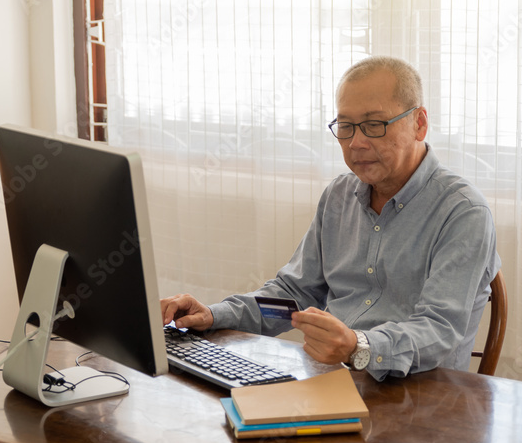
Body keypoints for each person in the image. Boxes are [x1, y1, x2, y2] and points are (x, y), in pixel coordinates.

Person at [160, 56, 501, 380]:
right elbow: (293, 296)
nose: (356, 143)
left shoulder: (463, 212)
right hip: (333, 383)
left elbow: (439, 331)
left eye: (374, 125)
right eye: (347, 126)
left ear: (419, 124)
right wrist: (214, 315)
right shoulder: (339, 196)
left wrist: (359, 347)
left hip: (421, 399)